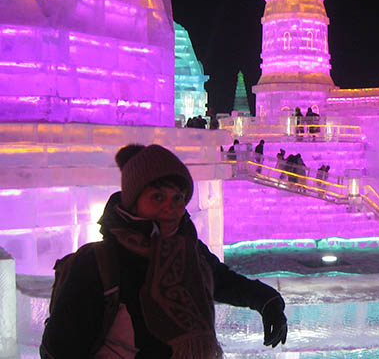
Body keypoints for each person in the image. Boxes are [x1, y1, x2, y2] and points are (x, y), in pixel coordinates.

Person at [40, 144, 287, 357]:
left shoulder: (187, 249)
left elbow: (221, 280)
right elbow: (61, 349)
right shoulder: (97, 262)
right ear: (133, 202)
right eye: (157, 197)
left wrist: (267, 301)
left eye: (178, 198)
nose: (171, 208)